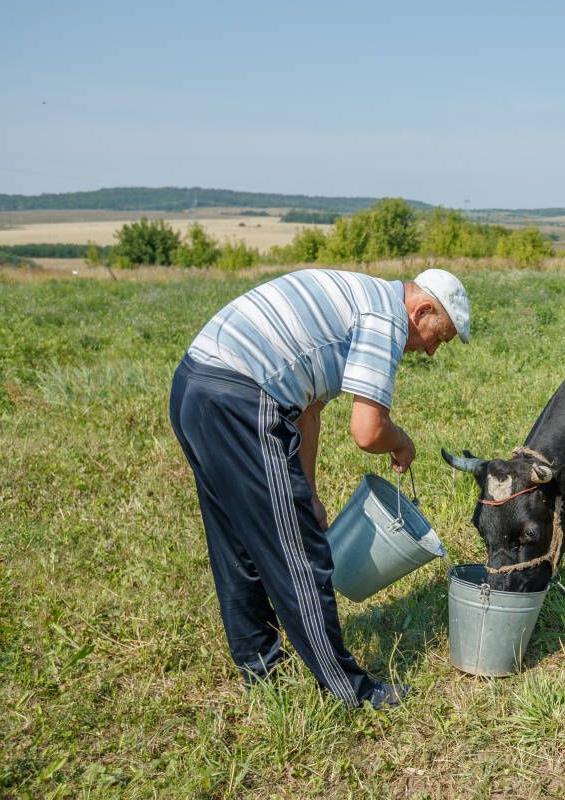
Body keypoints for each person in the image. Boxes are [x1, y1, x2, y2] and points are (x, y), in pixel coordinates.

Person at [168, 267, 470, 709]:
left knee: (237, 543)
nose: (429, 351)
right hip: (240, 398)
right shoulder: (384, 319)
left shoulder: (359, 297)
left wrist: (307, 493)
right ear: (421, 309)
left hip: (195, 386)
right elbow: (368, 431)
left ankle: (261, 669)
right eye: (436, 337)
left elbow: (308, 410)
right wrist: (403, 442)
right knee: (299, 554)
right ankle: (351, 691)